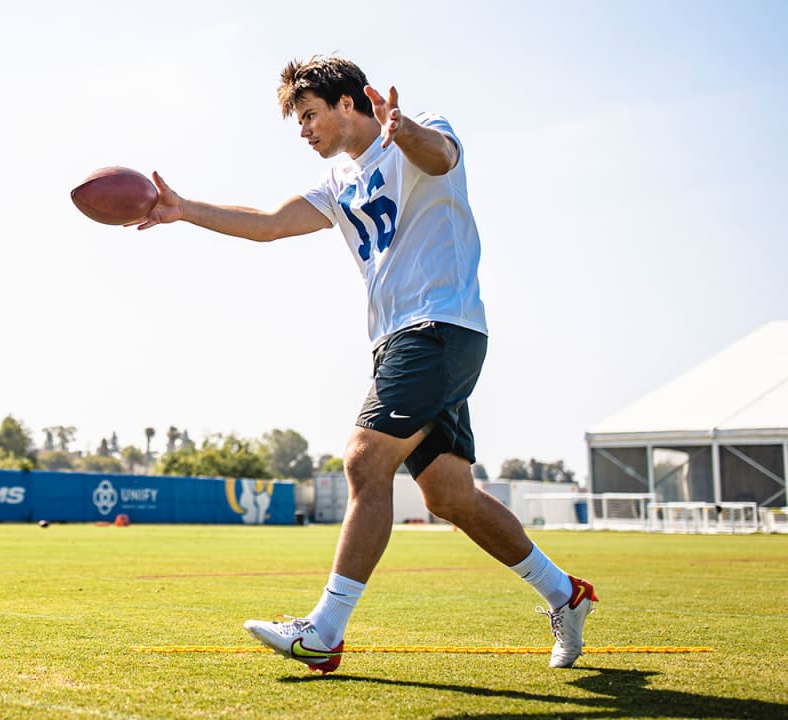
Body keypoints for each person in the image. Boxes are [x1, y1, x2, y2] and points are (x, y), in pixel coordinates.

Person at [134, 55, 596, 673]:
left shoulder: (416, 128)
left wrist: (401, 129)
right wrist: (185, 208)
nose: (303, 131)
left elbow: (442, 158)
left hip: (436, 326)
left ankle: (325, 631)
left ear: (346, 103)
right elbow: (270, 225)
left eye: (308, 115)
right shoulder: (339, 183)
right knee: (450, 497)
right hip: (402, 341)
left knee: (363, 460)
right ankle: (565, 594)